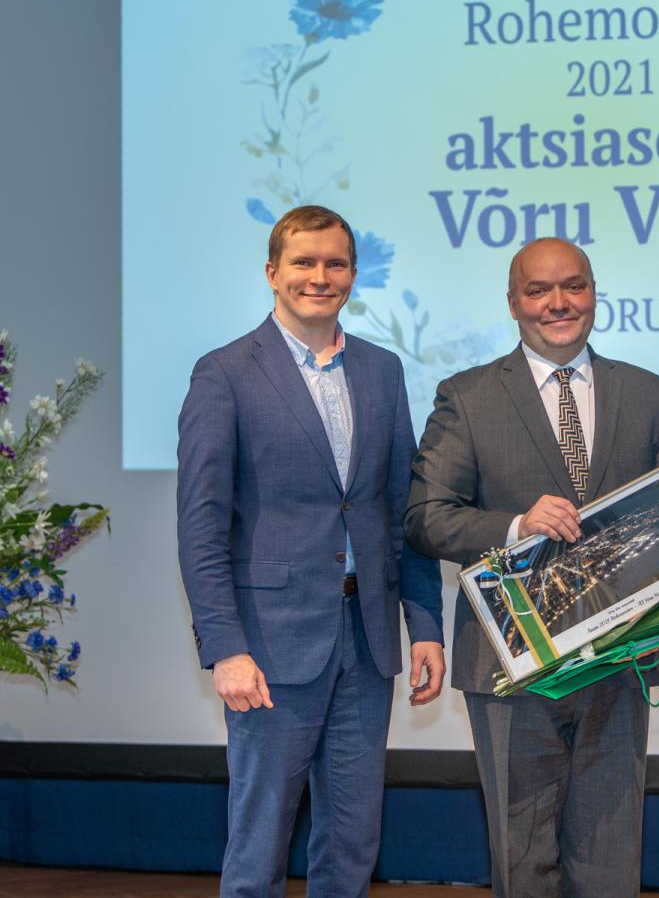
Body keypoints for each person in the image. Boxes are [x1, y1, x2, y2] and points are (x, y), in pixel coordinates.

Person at [176, 205, 445, 898]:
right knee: (259, 845)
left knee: (353, 844)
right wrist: (225, 647)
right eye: (303, 262)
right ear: (272, 272)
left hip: (367, 641)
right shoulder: (224, 373)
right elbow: (201, 527)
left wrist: (424, 625)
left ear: (353, 275)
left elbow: (400, 511)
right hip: (270, 647)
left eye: (335, 263)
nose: (319, 276)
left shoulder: (382, 370)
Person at [405, 237, 659, 898]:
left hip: (619, 662)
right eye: (538, 290)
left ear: (594, 293)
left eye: (573, 285)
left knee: (610, 862)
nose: (558, 303)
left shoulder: (646, 393)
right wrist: (515, 527)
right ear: (513, 303)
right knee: (522, 862)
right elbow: (425, 517)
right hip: (510, 666)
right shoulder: (467, 397)